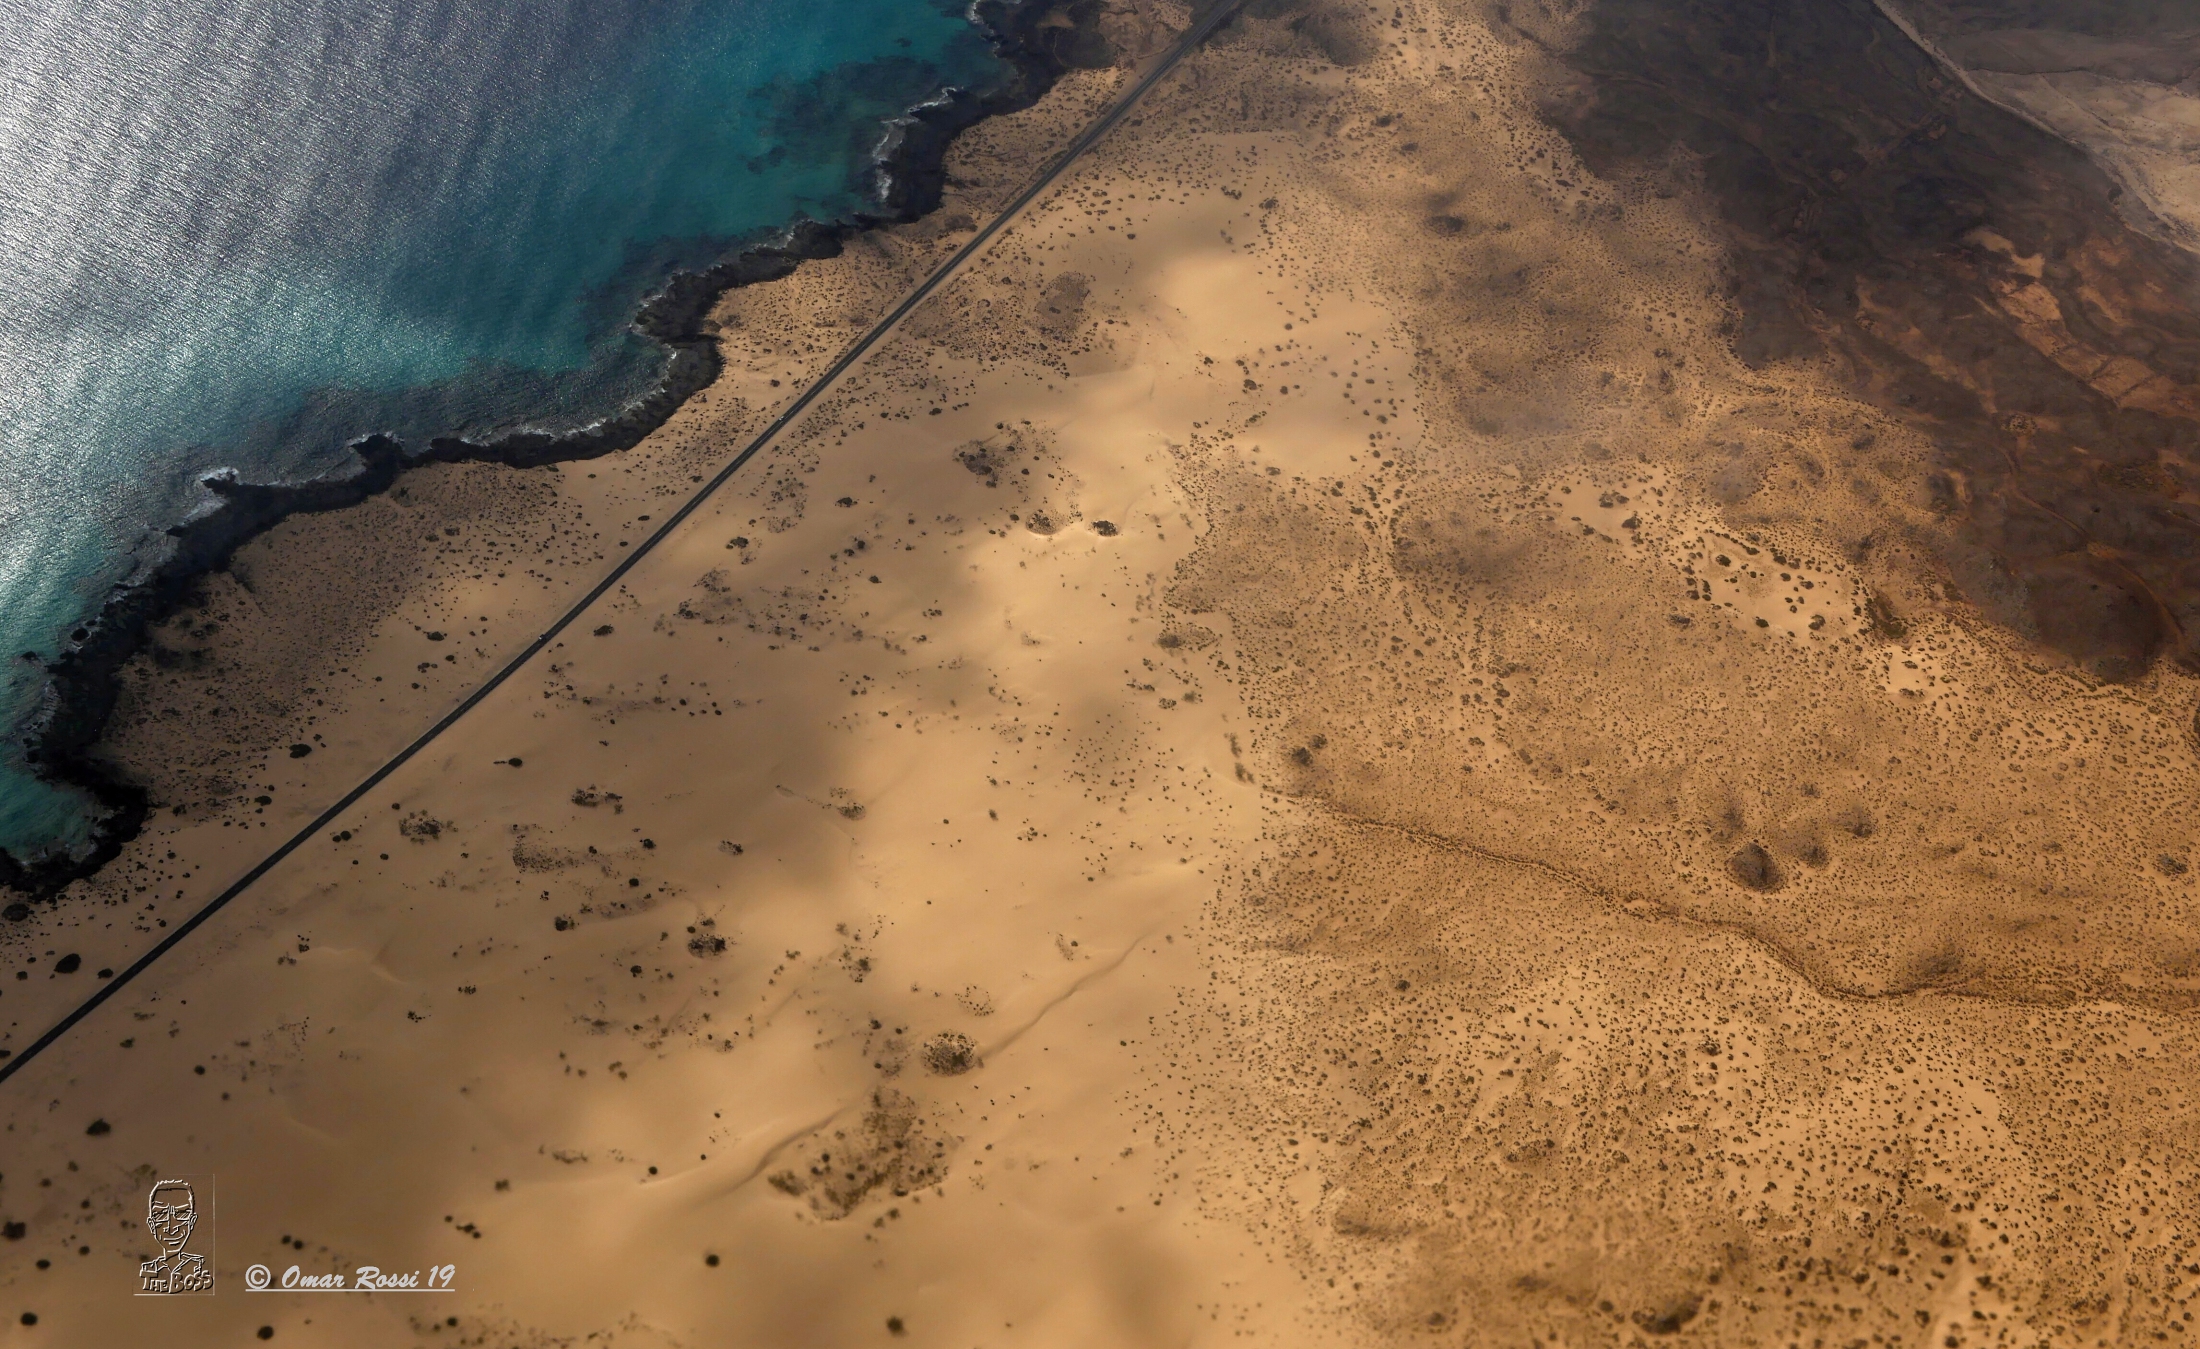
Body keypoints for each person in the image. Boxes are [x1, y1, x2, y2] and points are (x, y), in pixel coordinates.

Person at [139, 1180, 212, 1293]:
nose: (171, 1228)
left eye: (182, 1214)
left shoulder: (201, 1265)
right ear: (151, 1224)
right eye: (160, 1215)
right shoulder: (148, 1269)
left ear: (192, 1221)